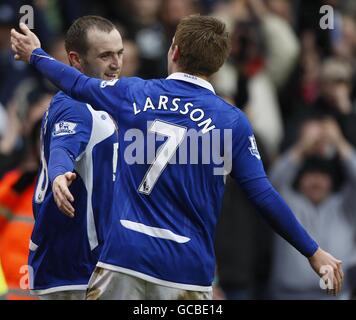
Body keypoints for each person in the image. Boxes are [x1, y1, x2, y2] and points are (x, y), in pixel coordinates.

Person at [11, 16, 343, 300]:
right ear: (217, 64)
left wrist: (35, 54)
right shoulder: (232, 122)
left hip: (125, 260)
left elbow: (78, 83)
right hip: (187, 269)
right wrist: (312, 251)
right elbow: (263, 195)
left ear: (174, 51)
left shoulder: (134, 94)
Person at [26, 16, 122, 300]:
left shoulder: (108, 102)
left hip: (93, 265)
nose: (116, 64)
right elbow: (62, 149)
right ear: (76, 60)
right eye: (105, 55)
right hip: (73, 269)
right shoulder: (76, 107)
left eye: (119, 53)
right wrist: (59, 174)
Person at [268, 118, 356, 299]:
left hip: (337, 295)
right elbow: (270, 183)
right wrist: (302, 146)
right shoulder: (286, 201)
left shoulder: (345, 205)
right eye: (310, 176)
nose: (316, 182)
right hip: (288, 295)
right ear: (299, 179)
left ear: (332, 180)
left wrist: (339, 143)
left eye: (322, 176)